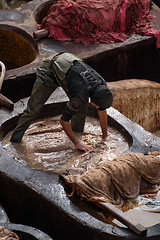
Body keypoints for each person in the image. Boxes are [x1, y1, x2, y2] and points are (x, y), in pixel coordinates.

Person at [10, 52, 113, 152]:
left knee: (81, 110)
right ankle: (15, 139)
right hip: (49, 70)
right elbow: (63, 120)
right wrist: (77, 143)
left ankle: (77, 133)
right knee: (33, 109)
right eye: (97, 105)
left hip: (67, 67)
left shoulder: (101, 86)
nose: (97, 107)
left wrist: (105, 136)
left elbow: (102, 109)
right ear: (94, 100)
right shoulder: (80, 95)